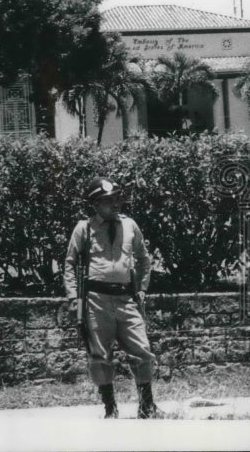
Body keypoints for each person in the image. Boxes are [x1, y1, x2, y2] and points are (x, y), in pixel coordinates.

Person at [64, 177, 162, 419]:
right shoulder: (83, 229)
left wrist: (142, 288)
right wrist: (74, 297)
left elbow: (143, 258)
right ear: (96, 204)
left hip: (126, 298)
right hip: (95, 300)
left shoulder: (130, 225)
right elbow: (70, 264)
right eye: (108, 201)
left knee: (142, 350)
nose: (115, 204)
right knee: (100, 355)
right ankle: (110, 408)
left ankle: (147, 406)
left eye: (117, 199)